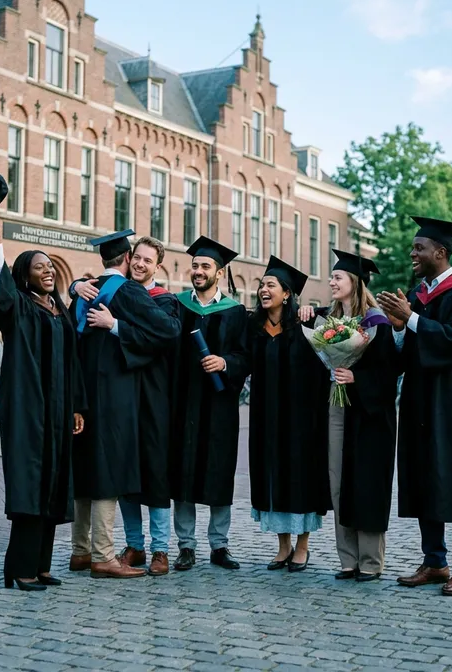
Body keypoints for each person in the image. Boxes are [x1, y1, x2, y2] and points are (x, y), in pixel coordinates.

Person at [377, 216, 452, 597]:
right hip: (420, 402)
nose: (412, 253)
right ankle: (435, 561)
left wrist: (411, 319)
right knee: (426, 475)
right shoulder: (416, 294)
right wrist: (396, 327)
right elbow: (405, 354)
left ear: (440, 253)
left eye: (419, 248)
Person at [0, 204, 86, 593]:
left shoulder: (59, 310)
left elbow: (72, 363)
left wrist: (77, 406)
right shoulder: (18, 308)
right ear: (25, 275)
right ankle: (20, 568)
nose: (48, 271)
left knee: (53, 485)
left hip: (58, 413)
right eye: (39, 266)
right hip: (28, 412)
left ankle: (41, 566)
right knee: (30, 486)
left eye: (50, 267)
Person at [69, 230, 181, 580]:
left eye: (149, 260)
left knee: (89, 467)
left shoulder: (85, 293)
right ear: (128, 258)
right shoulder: (125, 290)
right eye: (138, 257)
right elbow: (167, 330)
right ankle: (103, 554)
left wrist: (111, 321)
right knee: (108, 470)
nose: (141, 263)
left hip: (84, 394)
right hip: (116, 397)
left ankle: (81, 551)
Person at [300, 251, 398, 582]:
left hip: (370, 415)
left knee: (366, 482)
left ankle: (371, 561)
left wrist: (359, 379)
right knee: (337, 477)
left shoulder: (376, 323)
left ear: (354, 283)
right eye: (331, 277)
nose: (331, 281)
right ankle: (348, 559)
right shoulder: (328, 320)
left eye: (337, 277)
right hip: (336, 404)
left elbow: (391, 372)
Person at [170, 237, 249, 572]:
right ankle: (185, 545)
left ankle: (219, 544)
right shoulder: (176, 305)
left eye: (205, 266)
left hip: (219, 406)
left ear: (220, 272)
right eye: (196, 265)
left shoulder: (234, 311)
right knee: (183, 473)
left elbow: (246, 355)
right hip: (183, 404)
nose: (198, 271)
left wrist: (225, 363)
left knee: (218, 472)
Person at [248, 256, 330, 573]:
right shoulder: (253, 327)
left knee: (301, 476)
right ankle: (283, 546)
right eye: (261, 285)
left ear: (287, 294)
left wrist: (312, 316)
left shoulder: (306, 326)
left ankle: (303, 546)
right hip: (266, 417)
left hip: (301, 419)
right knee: (273, 475)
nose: (263, 290)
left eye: (270, 285)